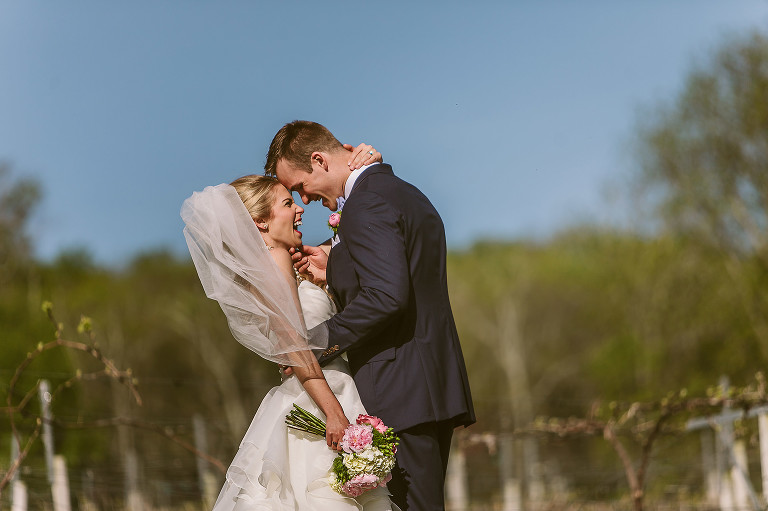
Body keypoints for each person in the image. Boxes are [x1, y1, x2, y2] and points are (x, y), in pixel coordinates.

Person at [265, 121, 475, 511]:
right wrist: (338, 266)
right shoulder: (398, 192)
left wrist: (309, 347)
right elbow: (400, 276)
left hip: (401, 388)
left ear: (318, 161)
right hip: (424, 383)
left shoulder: (367, 204)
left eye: (298, 187)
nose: (303, 201)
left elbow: (386, 297)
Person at [181, 145, 399, 511]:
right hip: (320, 399)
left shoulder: (273, 266)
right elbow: (294, 345)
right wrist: (334, 413)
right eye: (286, 204)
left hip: (315, 393)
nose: (300, 208)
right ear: (261, 223)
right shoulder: (276, 259)